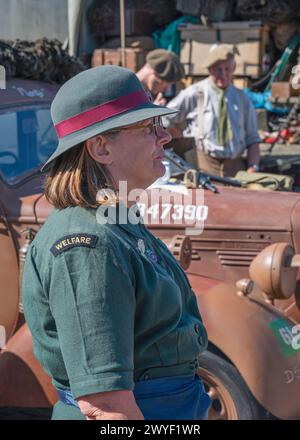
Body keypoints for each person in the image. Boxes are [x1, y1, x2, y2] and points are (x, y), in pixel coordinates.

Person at [22, 65, 211, 420]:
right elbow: (106, 406)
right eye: (148, 127)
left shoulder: (117, 220)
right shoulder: (86, 244)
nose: (164, 137)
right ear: (100, 148)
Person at [163, 44, 261, 177]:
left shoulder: (242, 98)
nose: (223, 75)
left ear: (234, 68)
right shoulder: (195, 93)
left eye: (228, 69)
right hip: (203, 164)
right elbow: (164, 117)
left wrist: (253, 167)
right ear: (210, 70)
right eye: (218, 70)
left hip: (235, 167)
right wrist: (179, 136)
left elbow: (253, 138)